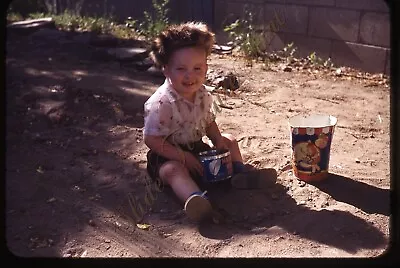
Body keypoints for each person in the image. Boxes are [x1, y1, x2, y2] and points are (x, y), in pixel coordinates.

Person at [143, 21, 275, 223]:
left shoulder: (203, 94)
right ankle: (196, 199)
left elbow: (208, 122)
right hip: (167, 154)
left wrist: (218, 140)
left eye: (197, 68)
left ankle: (239, 174)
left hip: (195, 148)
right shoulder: (162, 103)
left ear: (206, 67)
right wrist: (183, 157)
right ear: (166, 69)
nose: (190, 76)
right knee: (173, 171)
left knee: (229, 140)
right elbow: (152, 139)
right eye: (181, 69)